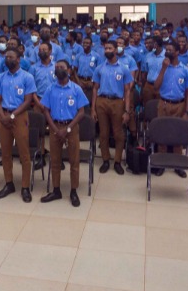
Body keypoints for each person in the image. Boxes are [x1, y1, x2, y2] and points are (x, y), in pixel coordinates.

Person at [40, 59, 89, 206]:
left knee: (74, 161)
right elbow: (45, 110)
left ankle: (73, 191)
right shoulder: (50, 89)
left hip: (71, 127)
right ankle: (56, 190)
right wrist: (55, 129)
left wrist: (67, 129)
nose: (58, 69)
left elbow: (81, 112)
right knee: (55, 160)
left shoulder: (76, 89)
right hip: (55, 127)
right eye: (56, 67)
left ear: (68, 70)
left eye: (61, 67)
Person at [0, 48, 37, 202]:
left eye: (11, 57)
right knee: (5, 152)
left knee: (24, 153)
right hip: (3, 116)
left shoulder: (27, 77)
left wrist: (12, 115)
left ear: (18, 59)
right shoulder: (1, 77)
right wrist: (2, 116)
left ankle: (25, 187)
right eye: (6, 57)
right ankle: (9, 183)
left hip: (19, 117)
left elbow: (28, 101)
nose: (8, 59)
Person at [152, 40, 188, 176]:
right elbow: (155, 87)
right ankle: (161, 164)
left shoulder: (186, 70)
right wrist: (164, 69)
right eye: (166, 50)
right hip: (163, 104)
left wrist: (187, 112)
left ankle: (178, 165)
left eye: (170, 50)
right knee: (162, 134)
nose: (168, 52)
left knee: (177, 135)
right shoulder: (162, 66)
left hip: (179, 105)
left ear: (177, 52)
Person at [92, 40, 133, 176]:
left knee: (118, 134)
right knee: (103, 134)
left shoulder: (123, 68)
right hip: (102, 101)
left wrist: (127, 110)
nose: (107, 50)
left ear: (116, 50)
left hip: (117, 102)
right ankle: (105, 160)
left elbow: (127, 91)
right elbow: (95, 89)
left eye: (110, 48)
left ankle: (117, 161)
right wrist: (92, 108)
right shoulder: (99, 68)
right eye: (106, 48)